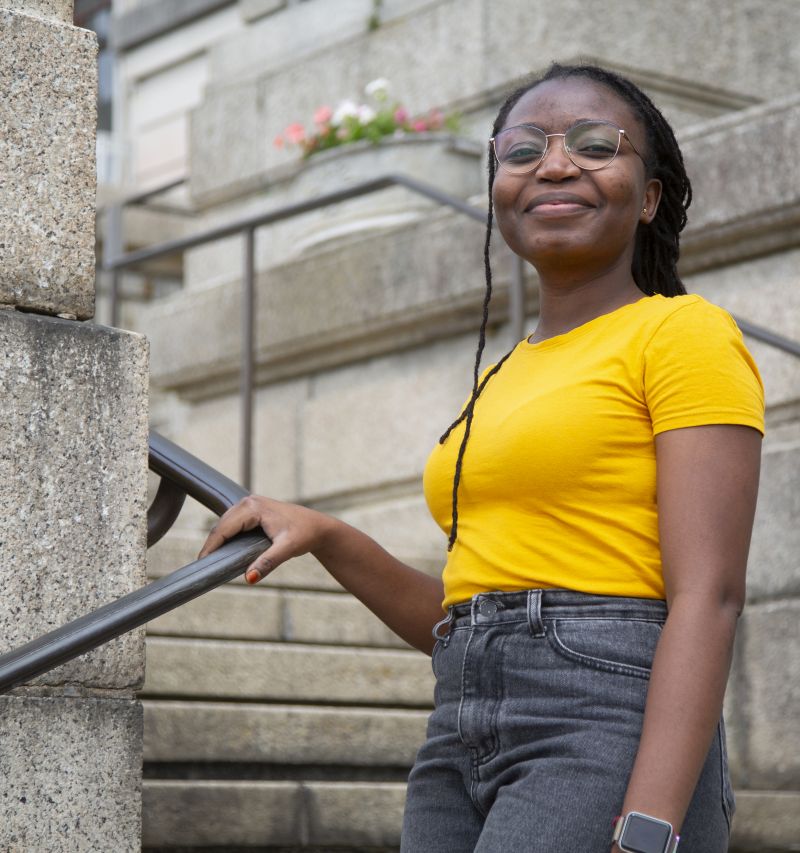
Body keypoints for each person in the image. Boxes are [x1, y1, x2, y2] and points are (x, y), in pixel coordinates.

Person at [199, 63, 764, 852]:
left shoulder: (682, 333)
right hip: (459, 724)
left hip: (606, 717)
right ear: (498, 186)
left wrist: (650, 826)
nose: (556, 164)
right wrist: (329, 535)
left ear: (650, 197)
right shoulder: (502, 374)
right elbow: (465, 611)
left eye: (597, 145)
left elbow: (709, 595)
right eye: (523, 150)